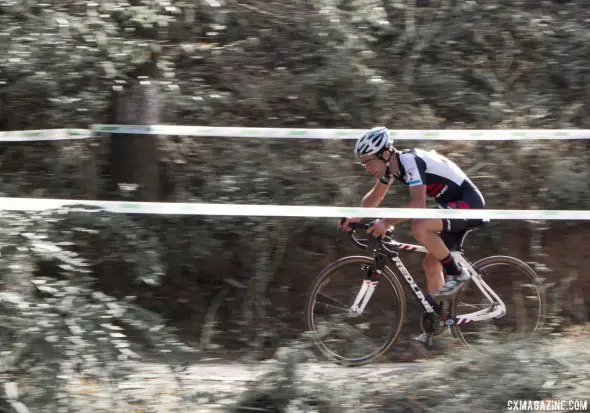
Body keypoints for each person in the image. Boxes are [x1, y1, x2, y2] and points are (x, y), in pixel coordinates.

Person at [339, 126, 488, 343]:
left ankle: (457, 273)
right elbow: (375, 198)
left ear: (386, 154)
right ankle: (440, 322)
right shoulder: (391, 170)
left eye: (368, 161)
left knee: (420, 225)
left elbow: (418, 204)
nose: (366, 168)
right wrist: (356, 217)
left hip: (469, 204)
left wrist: (386, 222)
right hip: (450, 205)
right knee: (430, 265)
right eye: (363, 163)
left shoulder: (410, 161)